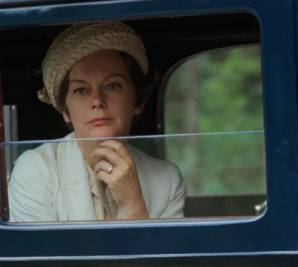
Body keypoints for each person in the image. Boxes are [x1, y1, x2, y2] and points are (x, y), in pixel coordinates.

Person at [8, 22, 186, 222]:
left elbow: (167, 254)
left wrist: (133, 205)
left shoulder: (166, 179)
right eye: (81, 90)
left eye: (113, 86)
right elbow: (45, 253)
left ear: (137, 101)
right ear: (65, 111)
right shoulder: (36, 170)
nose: (97, 101)